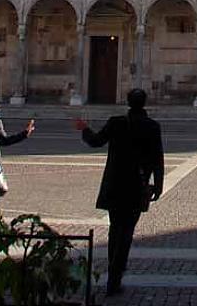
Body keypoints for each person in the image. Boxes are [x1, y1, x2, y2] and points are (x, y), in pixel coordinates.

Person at [75, 89, 164, 296]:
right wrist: (158, 186)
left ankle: (113, 271)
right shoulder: (152, 126)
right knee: (127, 232)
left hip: (115, 185)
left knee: (115, 229)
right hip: (137, 187)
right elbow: (157, 159)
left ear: (128, 102)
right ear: (144, 103)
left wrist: (84, 128)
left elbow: (96, 141)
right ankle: (116, 274)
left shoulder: (116, 122)